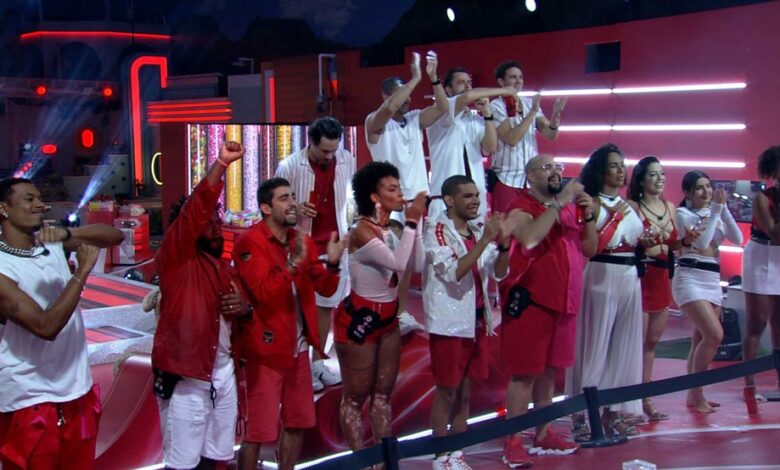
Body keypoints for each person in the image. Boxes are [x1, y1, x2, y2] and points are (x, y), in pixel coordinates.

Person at [0, 177, 124, 469]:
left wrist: (67, 233)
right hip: (28, 398)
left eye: (40, 198)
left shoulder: (51, 243)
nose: (39, 204)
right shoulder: (3, 266)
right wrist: (81, 272)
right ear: (3, 209)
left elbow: (115, 236)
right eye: (29, 199)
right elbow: (46, 327)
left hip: (77, 391)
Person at [233, 177, 347, 470]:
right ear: (266, 208)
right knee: (258, 432)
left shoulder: (301, 240)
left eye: (292, 196)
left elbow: (326, 289)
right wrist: (294, 263)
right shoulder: (249, 242)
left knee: (297, 423)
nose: (293, 203)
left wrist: (333, 264)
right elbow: (263, 292)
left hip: (299, 351)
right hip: (265, 352)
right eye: (284, 198)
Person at [152, 141, 248, 469]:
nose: (216, 226)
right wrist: (221, 164)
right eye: (208, 222)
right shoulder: (176, 258)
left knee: (215, 460)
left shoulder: (224, 268)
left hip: (223, 374)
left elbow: (238, 319)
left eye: (217, 220)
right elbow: (196, 209)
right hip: (186, 378)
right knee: (182, 464)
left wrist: (244, 309)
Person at [500, 155, 597, 467]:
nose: (556, 172)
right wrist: (559, 204)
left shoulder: (569, 206)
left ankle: (543, 433)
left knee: (551, 371)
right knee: (525, 374)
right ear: (530, 176)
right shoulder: (520, 206)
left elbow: (590, 248)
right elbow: (529, 239)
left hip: (565, 299)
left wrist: (590, 217)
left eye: (558, 167)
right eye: (547, 168)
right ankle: (513, 440)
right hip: (533, 301)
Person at [334, 161, 426, 452]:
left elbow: (418, 265)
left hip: (388, 321)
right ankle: (361, 463)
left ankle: (386, 460)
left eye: (399, 188)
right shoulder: (361, 230)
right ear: (375, 197)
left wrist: (415, 226)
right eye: (392, 189)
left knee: (383, 396)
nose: (400, 194)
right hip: (359, 323)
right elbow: (397, 263)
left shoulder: (393, 230)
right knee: (354, 399)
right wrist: (411, 222)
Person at [423, 175, 511, 470]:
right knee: (446, 391)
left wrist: (504, 246)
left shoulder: (477, 229)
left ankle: (457, 452)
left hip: (477, 322)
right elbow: (453, 272)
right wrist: (485, 240)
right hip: (449, 325)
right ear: (449, 200)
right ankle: (440, 456)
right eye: (468, 196)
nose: (475, 201)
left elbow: (498, 272)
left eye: (477, 196)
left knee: (465, 392)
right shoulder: (435, 230)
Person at [365, 51, 447, 335]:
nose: (408, 99)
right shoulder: (375, 121)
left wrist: (433, 79)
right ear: (386, 95)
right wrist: (414, 78)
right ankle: (381, 314)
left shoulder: (413, 119)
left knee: (408, 264)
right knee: (389, 264)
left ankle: (399, 314)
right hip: (388, 203)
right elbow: (389, 108)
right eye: (402, 94)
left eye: (410, 95)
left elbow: (442, 108)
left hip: (414, 200)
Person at [568, 144, 645, 440]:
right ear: (601, 170)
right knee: (594, 344)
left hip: (630, 276)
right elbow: (591, 246)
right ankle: (580, 415)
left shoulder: (631, 205)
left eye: (622, 165)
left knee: (623, 346)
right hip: (601, 274)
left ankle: (612, 412)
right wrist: (614, 219)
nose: (620, 170)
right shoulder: (591, 203)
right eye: (613, 165)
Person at [275, 116, 356, 391]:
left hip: (334, 245)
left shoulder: (346, 159)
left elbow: (349, 199)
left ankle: (318, 363)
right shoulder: (289, 166)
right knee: (300, 309)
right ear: (310, 142)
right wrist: (294, 209)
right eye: (324, 150)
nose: (330, 156)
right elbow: (273, 207)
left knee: (326, 307)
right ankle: (298, 369)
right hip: (301, 246)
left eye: (334, 150)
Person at [627, 156, 696, 422]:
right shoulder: (633, 206)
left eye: (662, 174)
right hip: (640, 276)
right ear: (641, 179)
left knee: (651, 344)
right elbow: (628, 241)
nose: (659, 179)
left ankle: (646, 398)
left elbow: (673, 245)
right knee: (633, 344)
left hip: (662, 276)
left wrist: (686, 241)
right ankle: (627, 402)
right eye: (653, 174)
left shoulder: (670, 207)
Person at [673, 171, 743, 413]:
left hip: (712, 279)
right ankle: (696, 393)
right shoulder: (682, 214)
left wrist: (723, 211)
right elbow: (701, 243)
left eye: (708, 186)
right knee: (714, 335)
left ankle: (695, 394)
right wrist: (715, 212)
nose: (706, 191)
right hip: (690, 277)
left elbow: (737, 238)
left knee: (700, 339)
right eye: (700, 187)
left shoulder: (716, 211)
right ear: (688, 192)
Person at [426, 66, 518, 221]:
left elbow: (490, 147)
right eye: (461, 82)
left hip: (475, 200)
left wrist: (487, 115)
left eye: (469, 82)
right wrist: (505, 90)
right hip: (446, 200)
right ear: (448, 90)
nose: (467, 86)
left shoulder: (475, 119)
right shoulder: (440, 112)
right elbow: (467, 96)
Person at [490, 61, 567, 213]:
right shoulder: (495, 106)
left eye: (520, 77)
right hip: (507, 179)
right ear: (501, 82)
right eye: (513, 77)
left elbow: (550, 134)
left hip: (532, 180)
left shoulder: (528, 103)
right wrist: (531, 113)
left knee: (532, 222)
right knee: (507, 225)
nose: (518, 81)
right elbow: (511, 139)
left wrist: (556, 117)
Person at [743, 145, 780, 402]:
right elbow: (775, 233)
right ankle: (749, 384)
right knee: (757, 323)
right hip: (761, 256)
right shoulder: (761, 198)